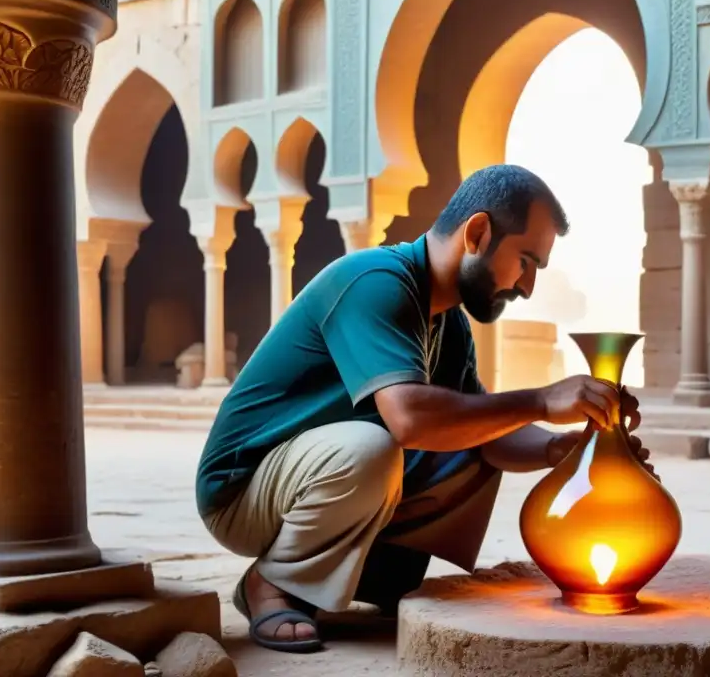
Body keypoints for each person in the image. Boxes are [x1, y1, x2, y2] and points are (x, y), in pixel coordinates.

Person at [194, 164, 655, 654]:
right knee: (376, 446)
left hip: (310, 481)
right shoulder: (373, 281)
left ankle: (372, 572)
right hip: (243, 491)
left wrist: (562, 450)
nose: (527, 287)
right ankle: (271, 584)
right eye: (526, 261)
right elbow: (410, 418)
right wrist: (541, 399)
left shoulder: (448, 324)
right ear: (477, 233)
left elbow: (488, 434)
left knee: (471, 430)